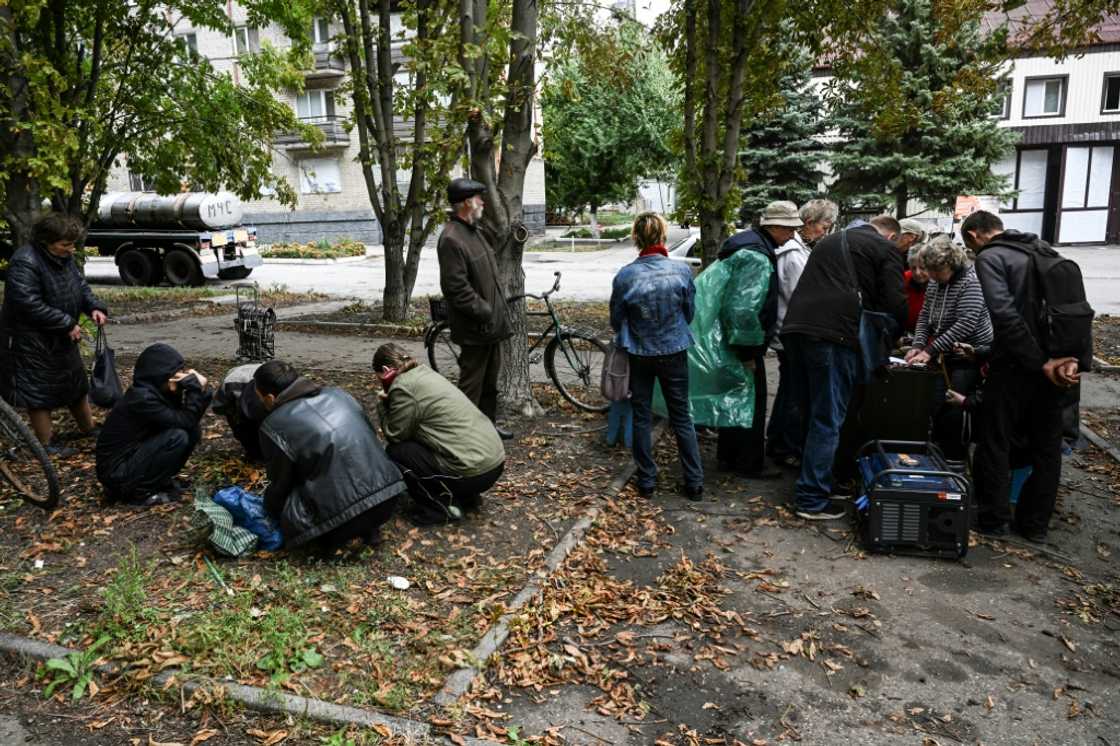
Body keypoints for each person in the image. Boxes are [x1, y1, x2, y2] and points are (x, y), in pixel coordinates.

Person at [961, 210, 1083, 543]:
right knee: (1047, 447)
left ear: (974, 235)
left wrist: (1038, 361)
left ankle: (994, 519)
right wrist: (1066, 361)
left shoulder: (991, 257)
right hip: (1060, 365)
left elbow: (1004, 315)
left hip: (1019, 364)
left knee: (995, 439)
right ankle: (1035, 525)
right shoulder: (1043, 250)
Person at [781, 215, 908, 519]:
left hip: (797, 329)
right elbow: (894, 301)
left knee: (811, 409)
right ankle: (811, 498)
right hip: (834, 336)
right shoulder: (884, 248)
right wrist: (900, 335)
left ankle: (818, 481)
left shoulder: (830, 240)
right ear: (891, 236)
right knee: (828, 417)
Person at [254, 360, 405, 551]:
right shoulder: (340, 394)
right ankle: (367, 530)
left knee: (287, 509)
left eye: (259, 398)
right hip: (387, 499)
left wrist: (269, 508)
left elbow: (281, 484)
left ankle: (334, 541)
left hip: (340, 520)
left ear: (269, 397)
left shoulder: (273, 425)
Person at [610, 212, 703, 500]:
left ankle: (647, 482)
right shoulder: (682, 272)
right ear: (663, 236)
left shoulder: (626, 275)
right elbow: (689, 313)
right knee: (682, 417)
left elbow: (617, 319)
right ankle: (694, 483)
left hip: (640, 352)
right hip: (674, 350)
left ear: (636, 238)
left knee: (641, 416)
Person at [0, 212, 108, 455]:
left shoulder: (63, 258)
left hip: (61, 336)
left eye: (72, 244)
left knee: (75, 384)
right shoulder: (25, 262)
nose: (70, 249)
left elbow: (79, 286)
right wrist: (65, 322)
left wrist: (94, 307)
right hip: (30, 340)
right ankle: (45, 444)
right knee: (38, 392)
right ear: (46, 242)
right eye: (65, 244)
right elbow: (26, 303)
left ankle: (87, 427)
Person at [715, 201, 802, 479]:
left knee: (736, 401)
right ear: (774, 226)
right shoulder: (756, 255)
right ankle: (748, 463)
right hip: (744, 346)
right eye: (789, 229)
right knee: (752, 403)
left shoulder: (750, 246)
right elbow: (744, 308)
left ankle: (730, 457)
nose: (792, 235)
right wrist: (749, 352)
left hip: (736, 344)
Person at [372, 343, 506, 524]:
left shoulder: (403, 387)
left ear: (386, 370)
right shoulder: (425, 373)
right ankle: (468, 497)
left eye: (379, 378)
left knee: (398, 452)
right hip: (493, 462)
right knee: (428, 444)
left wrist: (382, 402)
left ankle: (439, 509)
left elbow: (394, 434)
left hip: (474, 471)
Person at [902, 236, 994, 460]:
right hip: (944, 352)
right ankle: (935, 452)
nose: (930, 276)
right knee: (935, 403)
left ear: (949, 265)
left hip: (970, 354)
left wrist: (929, 351)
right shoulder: (936, 282)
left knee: (954, 409)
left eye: (934, 270)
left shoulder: (972, 282)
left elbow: (965, 323)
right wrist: (918, 345)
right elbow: (925, 315)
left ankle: (954, 458)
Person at [436, 178, 513, 440]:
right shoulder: (451, 238)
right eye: (479, 198)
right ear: (467, 202)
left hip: (490, 327)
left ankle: (487, 429)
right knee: (472, 386)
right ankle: (464, 437)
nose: (483, 202)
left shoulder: (473, 230)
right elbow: (456, 289)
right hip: (475, 328)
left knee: (490, 384)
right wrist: (485, 311)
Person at [767, 199, 838, 469]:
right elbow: (802, 297)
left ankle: (778, 441)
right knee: (794, 394)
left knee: (788, 391)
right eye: (824, 226)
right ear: (809, 223)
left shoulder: (797, 250)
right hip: (792, 333)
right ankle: (784, 446)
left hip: (789, 330)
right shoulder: (795, 255)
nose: (825, 232)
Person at [96, 344, 211, 507]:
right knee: (178, 437)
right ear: (158, 376)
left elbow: (187, 420)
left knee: (191, 431)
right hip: (116, 471)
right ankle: (139, 493)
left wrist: (202, 388)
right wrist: (194, 388)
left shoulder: (159, 392)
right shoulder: (142, 398)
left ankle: (160, 480)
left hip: (133, 456)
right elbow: (185, 420)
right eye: (175, 374)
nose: (179, 377)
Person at [211, 363, 266, 462]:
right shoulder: (230, 384)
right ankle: (254, 453)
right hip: (235, 390)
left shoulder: (279, 386)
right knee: (243, 430)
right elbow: (219, 407)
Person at [902, 245, 929, 334]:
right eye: (913, 268)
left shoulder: (939, 284)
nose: (917, 273)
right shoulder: (903, 279)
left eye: (922, 268)